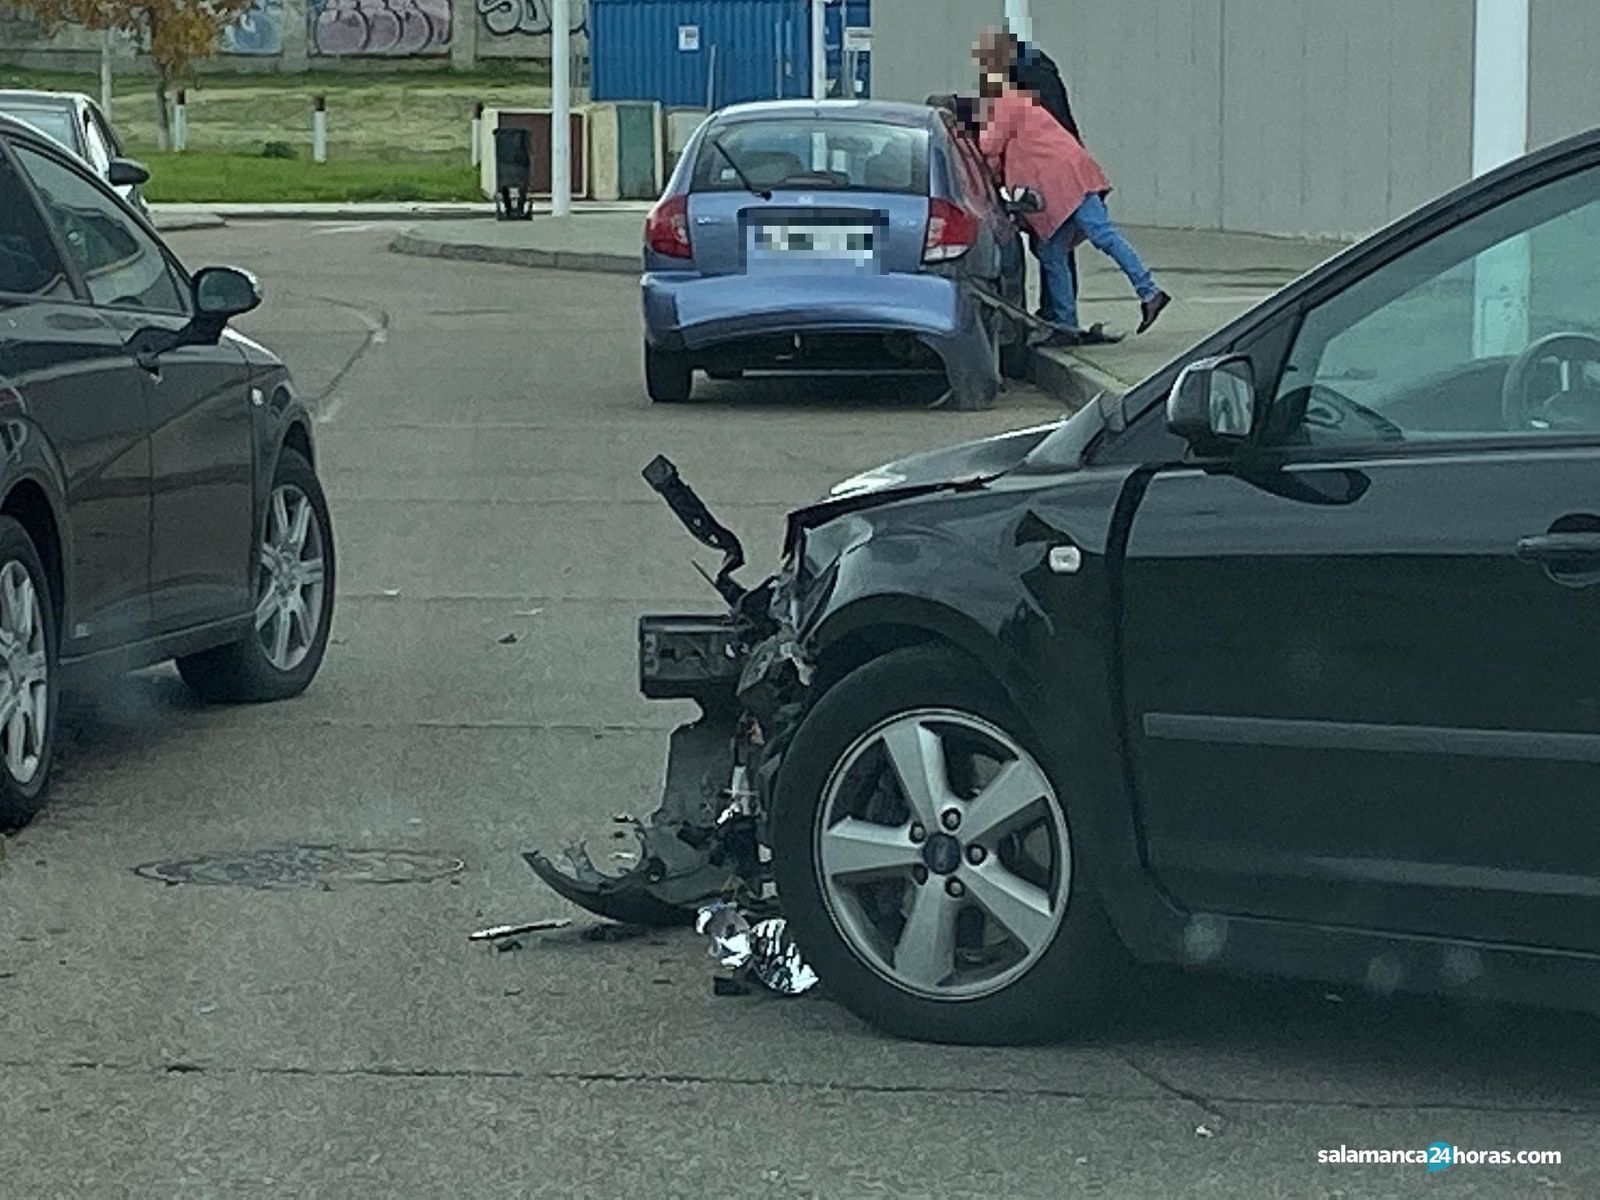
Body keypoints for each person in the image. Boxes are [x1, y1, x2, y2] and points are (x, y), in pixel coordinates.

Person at [977, 80, 1170, 340]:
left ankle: (1148, 292)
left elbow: (988, 146)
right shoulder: (1023, 104)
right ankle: (1068, 324)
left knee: (1098, 235)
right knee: (1055, 251)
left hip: (1064, 182)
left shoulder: (1005, 104)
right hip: (1070, 177)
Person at [975, 27, 1081, 318]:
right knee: (1056, 243)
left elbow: (1009, 131)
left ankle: (1060, 314)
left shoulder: (1027, 78)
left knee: (1052, 243)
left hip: (1048, 169)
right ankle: (1059, 312)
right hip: (1057, 165)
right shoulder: (1035, 70)